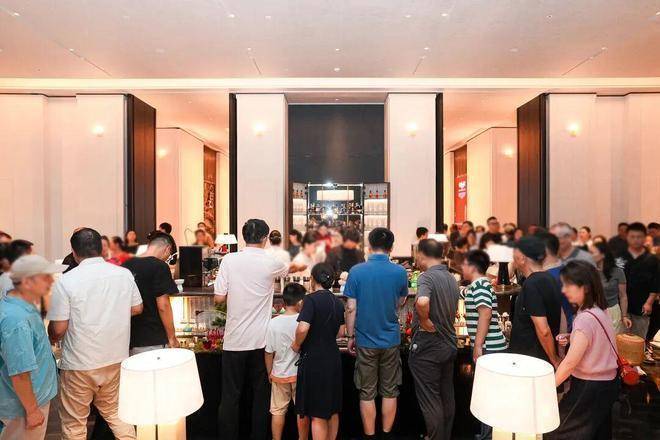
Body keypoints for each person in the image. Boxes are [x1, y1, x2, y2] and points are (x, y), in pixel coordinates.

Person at [47, 228, 143, 439]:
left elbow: (59, 328)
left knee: (74, 424)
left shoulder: (66, 280)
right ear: (102, 249)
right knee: (117, 415)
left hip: (79, 363)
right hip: (115, 358)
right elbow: (137, 308)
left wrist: (51, 337)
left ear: (74, 252)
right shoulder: (123, 274)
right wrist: (113, 313)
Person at [214, 219, 289, 440]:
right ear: (265, 238)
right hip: (261, 342)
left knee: (230, 397)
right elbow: (288, 269)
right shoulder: (272, 262)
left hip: (234, 340)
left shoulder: (229, 260)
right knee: (260, 395)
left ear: (244, 236)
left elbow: (219, 299)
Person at [344, 228, 408, 440]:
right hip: (390, 339)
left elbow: (351, 308)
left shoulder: (356, 271)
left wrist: (350, 336)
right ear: (391, 247)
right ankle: (387, 435)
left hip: (365, 339)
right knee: (390, 390)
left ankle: (370, 435)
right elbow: (401, 301)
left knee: (367, 391)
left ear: (369, 245)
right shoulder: (399, 272)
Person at [546, 261, 619, 440]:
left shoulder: (584, 318)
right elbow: (596, 338)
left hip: (590, 386)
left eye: (568, 285)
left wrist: (547, 387)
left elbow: (570, 363)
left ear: (585, 287)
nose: (564, 290)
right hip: (607, 383)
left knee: (559, 432)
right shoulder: (599, 310)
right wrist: (573, 336)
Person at [0, 255, 65, 440]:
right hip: (24, 406)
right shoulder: (17, 320)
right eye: (45, 277)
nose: (51, 281)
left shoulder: (23, 306)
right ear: (27, 282)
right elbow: (20, 373)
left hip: (33, 396)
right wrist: (32, 410)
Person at [409, 239, 460, 440]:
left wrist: (424, 321)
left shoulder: (427, 277)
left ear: (421, 255)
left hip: (428, 346)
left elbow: (422, 301)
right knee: (446, 396)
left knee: (430, 400)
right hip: (448, 343)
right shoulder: (451, 278)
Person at [292, 263, 345, 440]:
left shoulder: (310, 300)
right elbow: (341, 332)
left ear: (313, 279)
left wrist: (296, 344)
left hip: (314, 359)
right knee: (332, 408)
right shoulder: (338, 302)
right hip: (333, 358)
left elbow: (302, 328)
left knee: (317, 412)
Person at [509, 236, 562, 368]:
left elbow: (543, 330)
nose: (513, 259)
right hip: (539, 357)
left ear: (522, 258)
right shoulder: (550, 278)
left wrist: (554, 359)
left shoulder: (532, 283)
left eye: (514, 254)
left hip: (531, 360)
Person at [122, 232, 179, 355]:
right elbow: (163, 305)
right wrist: (172, 337)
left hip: (129, 338)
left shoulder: (126, 265)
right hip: (153, 338)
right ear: (167, 249)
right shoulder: (160, 266)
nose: (167, 259)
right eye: (169, 256)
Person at [265, 283, 309, 440]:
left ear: (284, 301)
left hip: (279, 373)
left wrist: (269, 372)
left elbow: (268, 352)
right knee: (302, 411)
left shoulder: (273, 323)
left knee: (277, 411)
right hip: (299, 374)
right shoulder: (303, 322)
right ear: (300, 302)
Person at [462, 250, 508, 361]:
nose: (462, 267)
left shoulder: (480, 286)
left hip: (488, 347)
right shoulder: (479, 285)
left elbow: (486, 314)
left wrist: (478, 346)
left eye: (464, 264)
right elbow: (465, 292)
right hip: (488, 346)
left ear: (472, 268)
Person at [617, 222, 658, 339]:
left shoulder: (652, 259)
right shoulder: (620, 257)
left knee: (638, 339)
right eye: (632, 237)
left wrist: (649, 303)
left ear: (644, 238)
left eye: (639, 237)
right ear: (627, 237)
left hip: (641, 305)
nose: (635, 240)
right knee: (620, 339)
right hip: (621, 306)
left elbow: (656, 283)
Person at [589, 241, 631, 334]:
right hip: (593, 310)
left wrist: (624, 316)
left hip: (612, 311)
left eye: (592, 252)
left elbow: (623, 296)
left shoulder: (618, 272)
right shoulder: (589, 272)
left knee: (611, 338)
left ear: (603, 255)